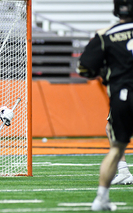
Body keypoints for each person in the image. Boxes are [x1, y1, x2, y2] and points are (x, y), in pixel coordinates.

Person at [77, 0, 133, 210]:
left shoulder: (105, 34)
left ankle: (101, 198)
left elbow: (84, 68)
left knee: (117, 147)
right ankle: (124, 172)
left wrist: (104, 73)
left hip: (122, 95)